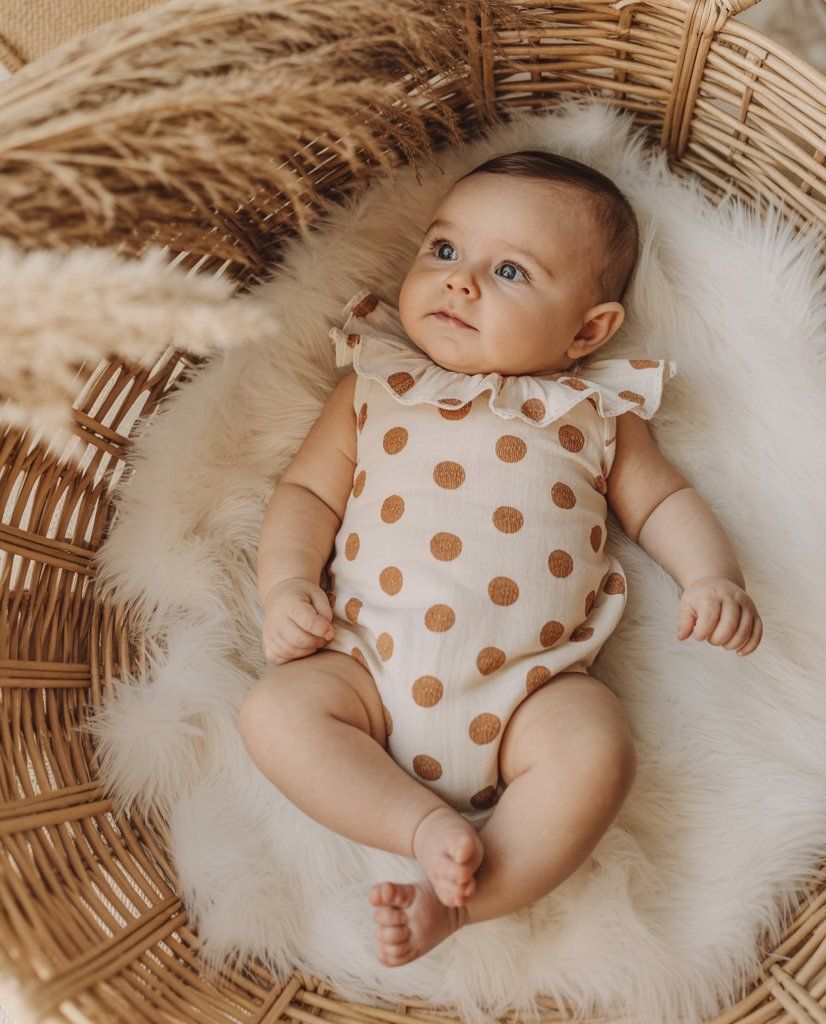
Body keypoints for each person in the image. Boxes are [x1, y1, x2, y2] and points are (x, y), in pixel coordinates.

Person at [239, 150, 763, 968]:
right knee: (273, 715)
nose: (459, 280)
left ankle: (466, 907)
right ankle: (415, 824)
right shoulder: (377, 383)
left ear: (587, 331)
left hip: (533, 694)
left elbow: (662, 502)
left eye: (509, 270)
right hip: (363, 673)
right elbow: (305, 495)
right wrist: (285, 586)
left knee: (600, 749)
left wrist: (712, 576)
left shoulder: (594, 411)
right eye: (443, 251)